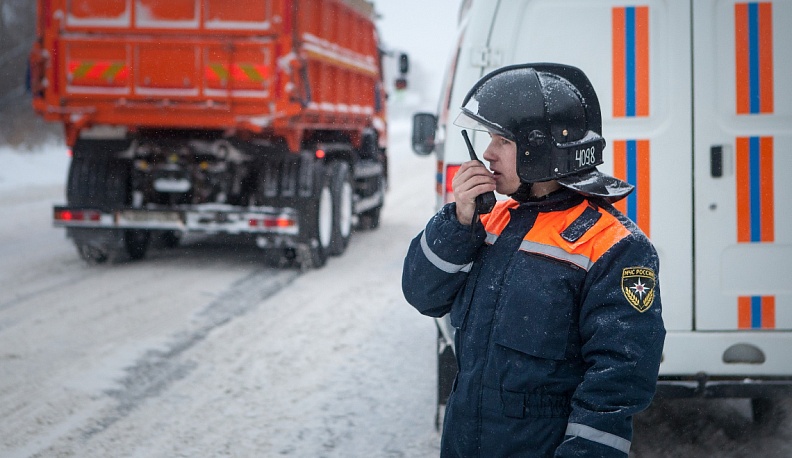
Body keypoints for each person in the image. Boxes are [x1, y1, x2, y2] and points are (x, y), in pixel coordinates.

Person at [402, 63, 665, 457]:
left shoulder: (614, 245)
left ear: (542, 149)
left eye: (502, 140)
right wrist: (458, 219)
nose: (487, 153)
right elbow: (423, 294)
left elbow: (617, 385)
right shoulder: (489, 218)